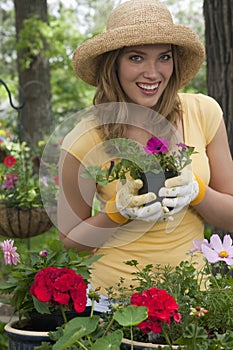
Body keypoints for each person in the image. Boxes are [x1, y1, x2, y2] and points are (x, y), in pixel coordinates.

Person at [58, 0, 233, 311]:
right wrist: (116, 212)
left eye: (164, 57)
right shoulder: (84, 138)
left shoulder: (204, 112)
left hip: (194, 299)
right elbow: (70, 241)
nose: (152, 73)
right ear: (113, 64)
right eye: (136, 58)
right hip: (112, 304)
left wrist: (197, 192)